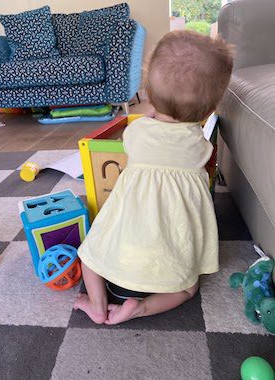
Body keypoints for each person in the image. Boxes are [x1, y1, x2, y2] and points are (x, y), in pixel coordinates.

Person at [74, 30, 233, 325]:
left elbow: (143, 129)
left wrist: (151, 112)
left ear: (148, 92)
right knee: (189, 287)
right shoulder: (199, 145)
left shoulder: (136, 133)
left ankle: (97, 304)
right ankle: (141, 308)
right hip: (168, 269)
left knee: (89, 255)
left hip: (119, 260)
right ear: (209, 110)